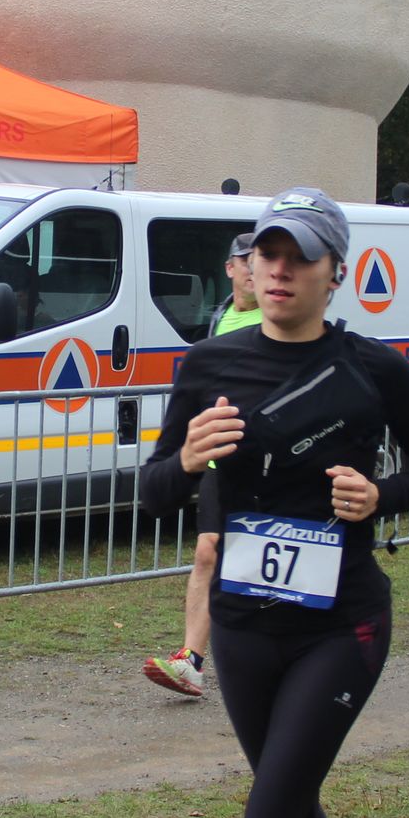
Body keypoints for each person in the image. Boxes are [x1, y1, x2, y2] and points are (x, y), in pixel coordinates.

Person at [139, 188, 409, 818]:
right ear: (250, 266)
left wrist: (380, 494)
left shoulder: (373, 369)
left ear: (334, 273)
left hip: (339, 627)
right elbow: (153, 489)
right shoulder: (210, 363)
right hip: (244, 627)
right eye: (267, 255)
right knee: (289, 801)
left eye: (299, 257)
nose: (279, 271)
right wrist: (187, 459)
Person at [146, 232, 263, 697]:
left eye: (261, 260)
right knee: (207, 552)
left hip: (268, 466)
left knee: (257, 559)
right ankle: (191, 661)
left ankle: (280, 654)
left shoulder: (279, 319)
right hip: (220, 462)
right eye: (247, 260)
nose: (255, 268)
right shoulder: (221, 317)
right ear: (230, 268)